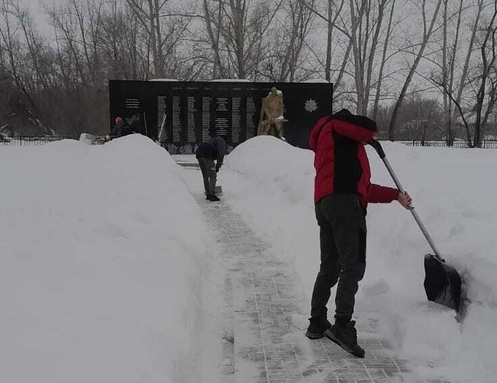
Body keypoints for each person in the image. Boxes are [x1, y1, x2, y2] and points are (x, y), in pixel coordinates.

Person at [306, 109, 412, 358]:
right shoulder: (336, 125)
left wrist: (395, 196)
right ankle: (342, 325)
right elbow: (368, 127)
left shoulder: (336, 149)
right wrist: (368, 137)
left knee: (330, 266)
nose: (365, 138)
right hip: (343, 204)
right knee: (352, 265)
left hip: (326, 203)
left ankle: (317, 321)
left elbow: (363, 189)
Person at [195, 132, 227, 201]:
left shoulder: (213, 140)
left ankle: (208, 192)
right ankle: (211, 194)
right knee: (213, 175)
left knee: (205, 175)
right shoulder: (221, 141)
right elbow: (220, 154)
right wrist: (218, 166)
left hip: (199, 153)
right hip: (206, 154)